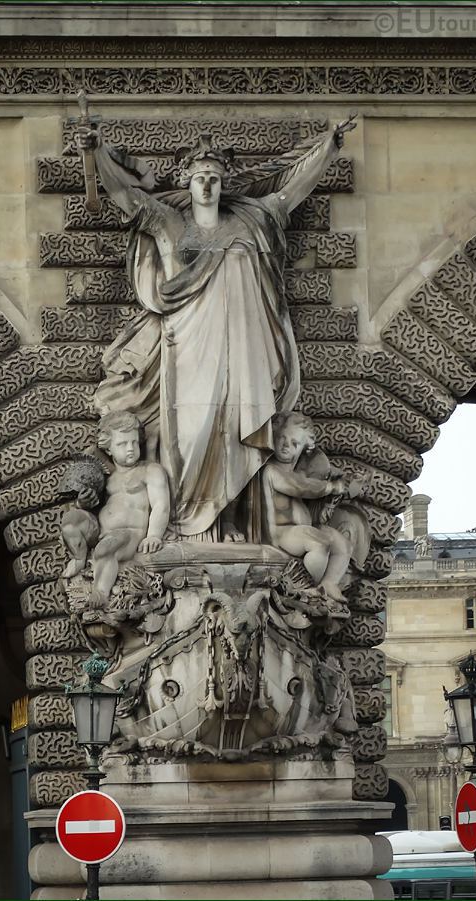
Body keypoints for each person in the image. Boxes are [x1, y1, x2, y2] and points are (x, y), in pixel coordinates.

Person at [79, 115, 355, 541]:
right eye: (199, 178)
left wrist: (330, 148)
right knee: (187, 438)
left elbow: (292, 193)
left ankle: (232, 525)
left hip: (242, 348)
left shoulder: (251, 222)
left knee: (236, 436)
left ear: (222, 183)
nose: (206, 185)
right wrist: (96, 153)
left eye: (213, 177)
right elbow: (124, 195)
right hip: (186, 349)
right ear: (188, 182)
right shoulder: (169, 223)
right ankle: (185, 524)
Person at [261, 412, 353, 602]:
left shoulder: (297, 473)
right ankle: (308, 588)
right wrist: (330, 487)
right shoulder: (271, 471)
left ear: (305, 447)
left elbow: (305, 483)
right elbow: (300, 488)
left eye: (294, 443)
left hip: (300, 529)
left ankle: (329, 583)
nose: (286, 445)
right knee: (319, 542)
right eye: (281, 438)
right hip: (280, 532)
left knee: (341, 543)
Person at [88, 411, 170, 606]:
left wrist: (154, 535)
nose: (131, 448)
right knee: (73, 523)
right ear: (108, 449)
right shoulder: (108, 477)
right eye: (122, 444)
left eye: (134, 442)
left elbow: (161, 505)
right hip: (105, 535)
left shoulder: (150, 471)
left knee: (107, 549)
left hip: (130, 535)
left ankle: (100, 593)